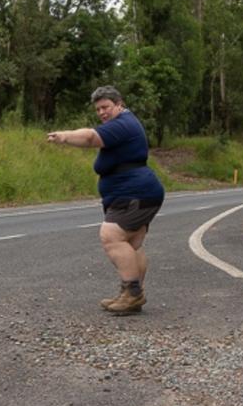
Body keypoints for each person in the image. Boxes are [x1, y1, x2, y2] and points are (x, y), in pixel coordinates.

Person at [47, 86, 164, 316]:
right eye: (98, 109)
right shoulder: (125, 122)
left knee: (111, 236)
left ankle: (132, 293)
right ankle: (131, 292)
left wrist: (64, 136)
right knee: (132, 245)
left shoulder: (123, 123)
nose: (102, 112)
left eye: (106, 107)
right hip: (138, 191)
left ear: (119, 104)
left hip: (134, 193)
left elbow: (91, 137)